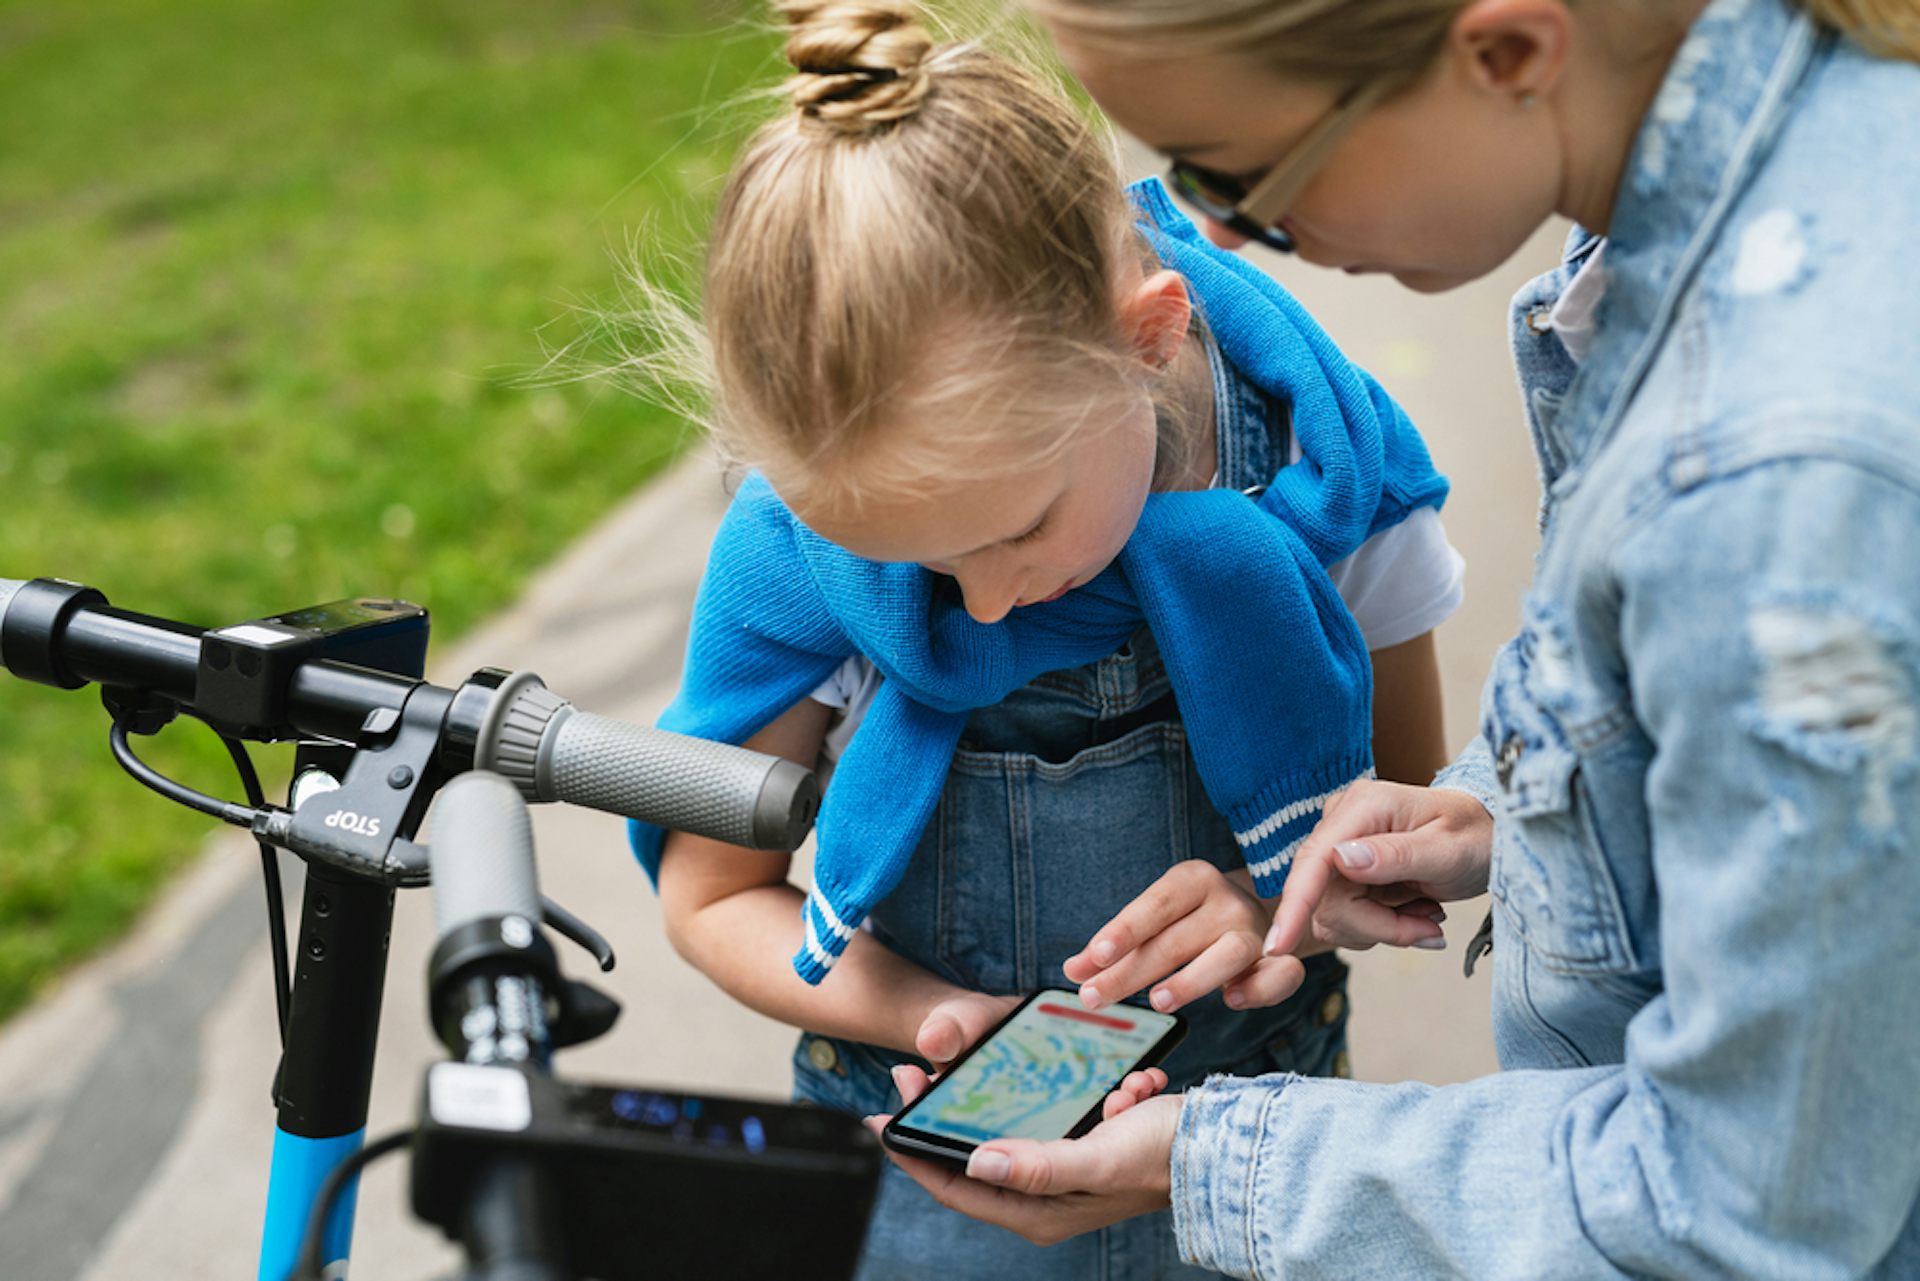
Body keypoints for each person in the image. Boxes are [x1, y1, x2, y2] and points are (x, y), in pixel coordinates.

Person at [868, 0, 1920, 1276]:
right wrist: (1500, 814)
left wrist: (1216, 1159)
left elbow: (1746, 1198)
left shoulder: (1774, 479)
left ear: (1509, 53)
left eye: (1240, 173)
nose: (1216, 236)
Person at [623, 2, 1476, 1275]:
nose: (976, 607)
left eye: (1015, 530)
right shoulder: (800, 552)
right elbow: (711, 892)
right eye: (916, 559)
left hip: (1257, 1152)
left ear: (1148, 337)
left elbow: (1409, 817)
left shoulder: (1333, 477)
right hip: (938, 1189)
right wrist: (924, 1014)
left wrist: (1267, 902)